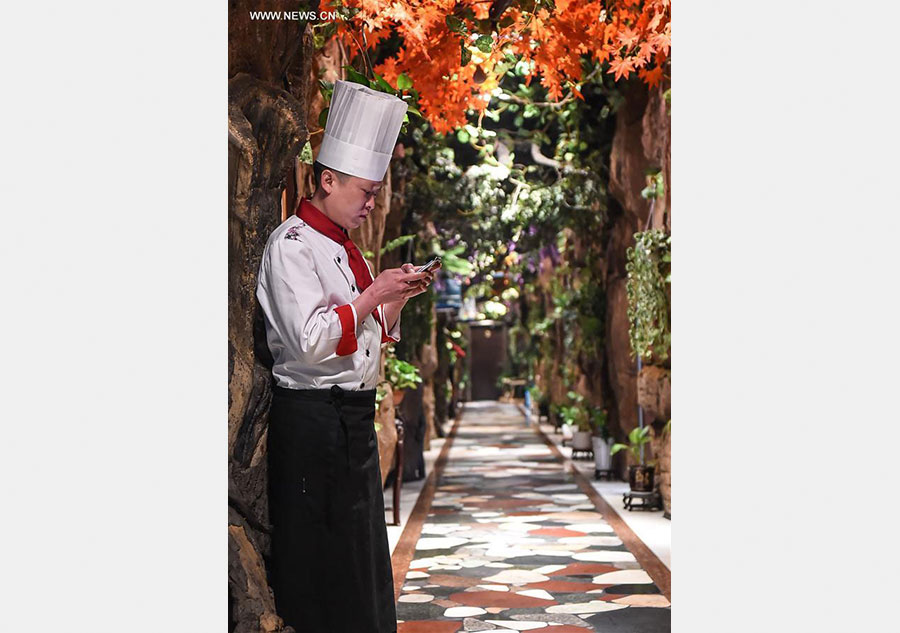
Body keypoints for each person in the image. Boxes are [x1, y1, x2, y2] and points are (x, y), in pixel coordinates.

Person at [256, 80, 439, 633]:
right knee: (321, 562)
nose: (371, 203)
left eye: (376, 192)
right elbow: (310, 341)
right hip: (312, 421)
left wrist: (394, 299)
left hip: (352, 419)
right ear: (326, 179)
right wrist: (373, 295)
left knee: (361, 561)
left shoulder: (342, 246)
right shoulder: (290, 245)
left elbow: (365, 332)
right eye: (363, 190)